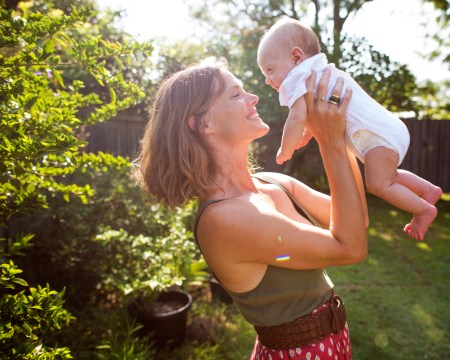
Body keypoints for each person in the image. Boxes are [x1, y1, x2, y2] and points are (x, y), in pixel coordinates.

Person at [137, 58, 368, 359]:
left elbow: (357, 219)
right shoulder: (224, 219)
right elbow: (351, 248)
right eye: (235, 94)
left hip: (332, 342)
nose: (254, 97)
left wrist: (340, 136)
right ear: (202, 123)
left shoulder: (273, 182)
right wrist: (330, 142)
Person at [257, 18, 443, 241]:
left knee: (378, 183)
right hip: (386, 130)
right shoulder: (320, 71)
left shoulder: (299, 76)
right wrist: (308, 133)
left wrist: (285, 149)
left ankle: (423, 209)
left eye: (269, 70)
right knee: (389, 176)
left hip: (376, 136)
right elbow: (310, 116)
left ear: (296, 57)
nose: (268, 80)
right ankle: (428, 190)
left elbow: (297, 117)